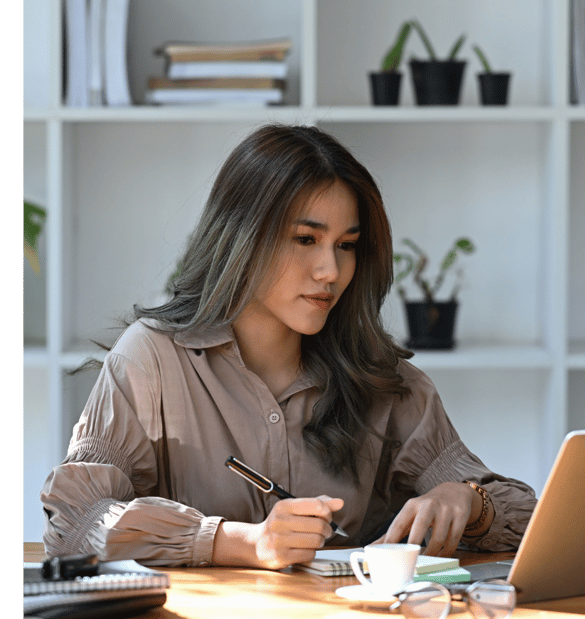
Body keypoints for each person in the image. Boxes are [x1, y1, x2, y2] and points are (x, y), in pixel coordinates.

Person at [40, 124, 537, 570]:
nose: (331, 271)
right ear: (243, 237)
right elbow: (76, 521)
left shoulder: (382, 378)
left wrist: (467, 499)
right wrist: (238, 541)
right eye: (305, 239)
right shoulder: (151, 361)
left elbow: (532, 518)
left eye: (346, 245)